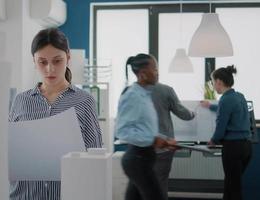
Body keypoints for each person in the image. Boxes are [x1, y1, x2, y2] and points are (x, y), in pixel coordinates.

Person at [9, 28, 103, 200]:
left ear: (68, 57)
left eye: (57, 61)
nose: (50, 69)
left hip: (68, 194)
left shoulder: (84, 101)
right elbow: (10, 151)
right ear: (34, 61)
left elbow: (94, 154)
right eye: (42, 62)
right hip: (25, 195)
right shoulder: (21, 101)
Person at [115, 53, 177, 200]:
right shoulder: (133, 95)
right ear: (142, 74)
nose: (157, 73)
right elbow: (122, 131)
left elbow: (144, 129)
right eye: (154, 69)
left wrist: (163, 140)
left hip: (144, 158)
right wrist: (153, 141)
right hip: (137, 159)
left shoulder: (144, 94)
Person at [201, 65, 252, 200]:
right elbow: (226, 108)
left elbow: (221, 126)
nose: (213, 86)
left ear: (219, 82)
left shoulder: (225, 100)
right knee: (231, 183)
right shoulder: (239, 96)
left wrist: (213, 140)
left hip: (233, 148)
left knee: (233, 186)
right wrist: (210, 105)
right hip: (247, 147)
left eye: (213, 82)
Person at [146, 79, 195, 199]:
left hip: (143, 146)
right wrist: (193, 113)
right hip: (164, 146)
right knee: (160, 183)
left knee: (144, 184)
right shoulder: (166, 90)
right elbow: (183, 113)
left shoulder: (134, 91)